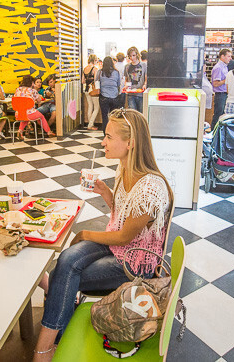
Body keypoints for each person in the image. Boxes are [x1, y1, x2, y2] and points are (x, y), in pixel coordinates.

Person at [32, 108, 173, 361]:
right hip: (118, 245)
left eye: (108, 137)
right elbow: (123, 215)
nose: (102, 142)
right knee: (65, 261)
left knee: (63, 276)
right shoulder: (124, 168)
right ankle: (57, 336)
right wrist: (106, 192)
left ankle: (46, 347)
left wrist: (86, 234)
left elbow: (124, 237)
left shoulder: (150, 188)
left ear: (130, 143)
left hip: (134, 262)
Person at [95, 56, 122, 136]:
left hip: (104, 96)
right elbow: (118, 84)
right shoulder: (116, 72)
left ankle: (106, 135)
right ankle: (113, 134)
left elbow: (96, 82)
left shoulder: (100, 72)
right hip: (114, 96)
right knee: (114, 117)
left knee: (105, 117)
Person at [210, 48, 232, 129]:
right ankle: (213, 132)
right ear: (222, 56)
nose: (230, 58)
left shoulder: (224, 67)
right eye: (228, 56)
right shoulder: (218, 67)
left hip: (224, 94)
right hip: (220, 95)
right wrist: (226, 80)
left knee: (221, 115)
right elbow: (215, 84)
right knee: (218, 115)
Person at [123, 47, 147, 113]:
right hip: (130, 94)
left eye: (133, 55)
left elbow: (146, 78)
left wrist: (145, 84)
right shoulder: (127, 66)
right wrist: (126, 85)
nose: (132, 58)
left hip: (140, 93)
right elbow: (126, 79)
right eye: (130, 56)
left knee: (141, 113)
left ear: (137, 55)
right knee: (132, 114)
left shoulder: (144, 65)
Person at [82, 54, 100, 131]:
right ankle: (90, 125)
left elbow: (83, 81)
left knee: (90, 106)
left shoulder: (85, 68)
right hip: (93, 90)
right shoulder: (95, 69)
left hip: (86, 89)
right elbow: (96, 80)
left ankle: (90, 124)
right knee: (96, 108)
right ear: (95, 60)